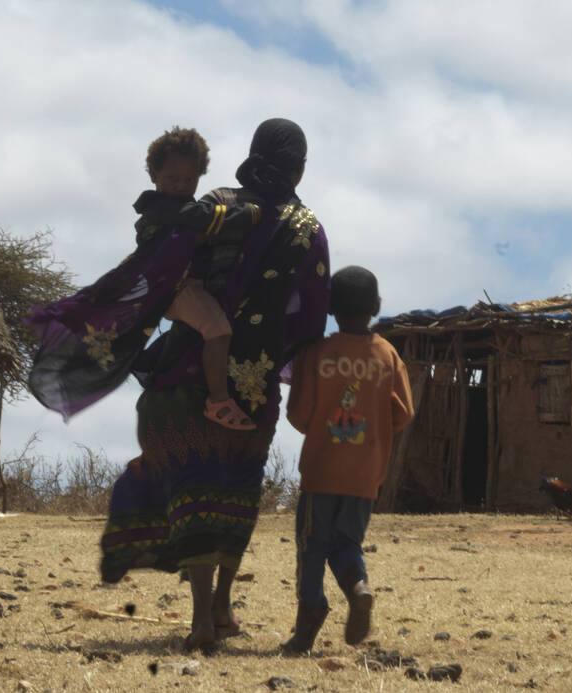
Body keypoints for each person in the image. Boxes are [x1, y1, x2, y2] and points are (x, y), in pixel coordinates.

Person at [95, 118, 330, 654]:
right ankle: (222, 606)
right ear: (299, 168)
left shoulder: (217, 204)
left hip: (178, 379)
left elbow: (163, 267)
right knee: (236, 491)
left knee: (193, 490)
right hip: (252, 387)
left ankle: (203, 616)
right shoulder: (307, 228)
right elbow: (311, 315)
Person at [26, 127, 262, 430]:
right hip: (179, 290)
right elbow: (209, 218)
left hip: (180, 288)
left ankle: (157, 361)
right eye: (173, 179)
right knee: (218, 329)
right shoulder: (167, 210)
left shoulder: (176, 208)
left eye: (189, 180)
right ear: (153, 175)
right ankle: (219, 402)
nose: (181, 186)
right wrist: (251, 213)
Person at [280, 266, 413, 653]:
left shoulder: (316, 353)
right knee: (346, 542)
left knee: (312, 545)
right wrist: (374, 434)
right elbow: (403, 413)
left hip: (322, 470)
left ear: (330, 309)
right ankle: (357, 587)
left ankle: (308, 621)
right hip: (365, 474)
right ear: (376, 306)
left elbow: (299, 415)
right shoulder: (387, 355)